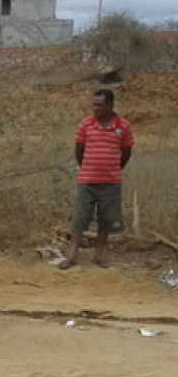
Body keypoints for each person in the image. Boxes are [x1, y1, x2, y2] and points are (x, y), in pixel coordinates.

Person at [58, 89, 134, 269]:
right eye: (94, 104)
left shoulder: (123, 126)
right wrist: (87, 168)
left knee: (106, 219)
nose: (95, 108)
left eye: (99, 105)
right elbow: (79, 150)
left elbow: (126, 153)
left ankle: (99, 256)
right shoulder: (86, 124)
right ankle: (72, 255)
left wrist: (113, 168)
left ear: (110, 106)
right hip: (87, 180)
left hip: (111, 181)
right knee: (79, 217)